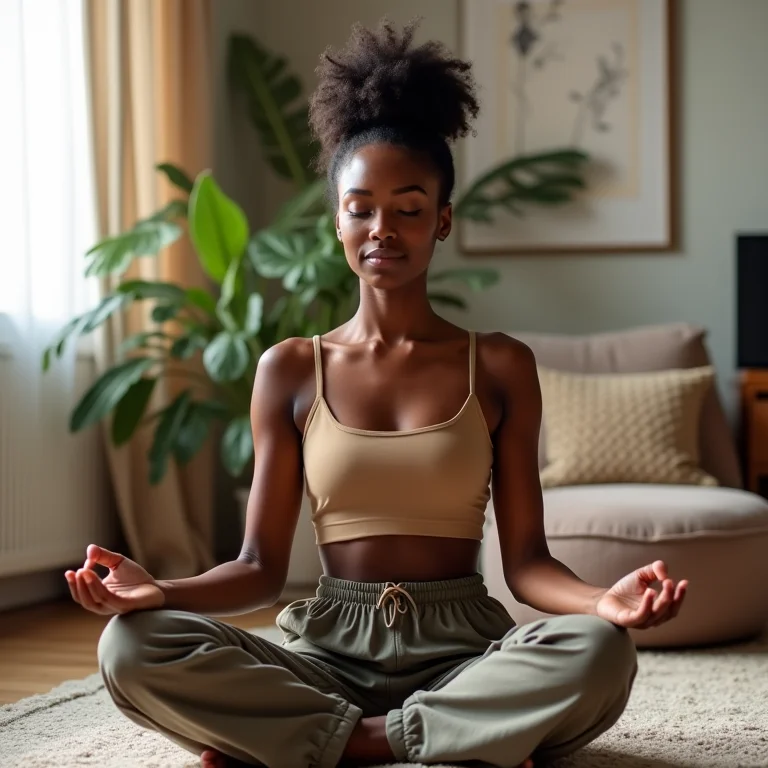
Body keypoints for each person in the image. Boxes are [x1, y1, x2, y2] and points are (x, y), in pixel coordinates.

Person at [66, 19, 687, 768]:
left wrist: (603, 602)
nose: (381, 228)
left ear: (443, 220)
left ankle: (318, 743)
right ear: (337, 221)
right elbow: (259, 566)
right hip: (325, 657)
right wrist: (155, 590)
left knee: (598, 651)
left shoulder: (498, 367)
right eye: (361, 207)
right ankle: (438, 740)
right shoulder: (290, 370)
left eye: (409, 207)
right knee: (129, 645)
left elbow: (525, 564)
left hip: (464, 654)